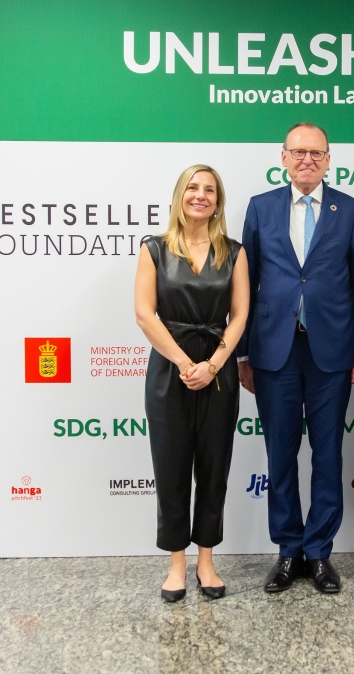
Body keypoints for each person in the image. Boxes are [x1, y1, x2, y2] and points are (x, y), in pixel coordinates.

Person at [238, 122, 354, 595]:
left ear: (329, 159)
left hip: (331, 350)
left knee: (328, 454)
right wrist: (242, 354)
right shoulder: (261, 207)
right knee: (280, 455)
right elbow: (244, 285)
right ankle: (288, 550)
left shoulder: (350, 210)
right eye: (298, 152)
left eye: (316, 153)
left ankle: (319, 553)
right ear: (283, 156)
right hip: (273, 350)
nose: (307, 160)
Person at [134, 164, 249, 603]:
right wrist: (186, 363)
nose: (201, 196)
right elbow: (145, 315)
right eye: (193, 188)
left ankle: (206, 560)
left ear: (218, 202)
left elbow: (239, 315)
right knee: (172, 467)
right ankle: (177, 564)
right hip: (170, 369)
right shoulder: (155, 248)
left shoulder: (234, 252)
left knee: (214, 468)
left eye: (210, 190)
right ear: (180, 195)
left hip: (217, 373)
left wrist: (215, 364)